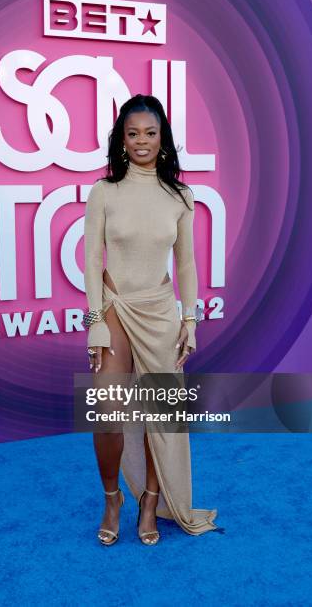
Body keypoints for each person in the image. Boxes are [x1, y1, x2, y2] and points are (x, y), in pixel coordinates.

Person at [83, 94, 219, 546]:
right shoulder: (104, 191)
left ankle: (150, 500)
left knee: (159, 415)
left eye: (150, 132)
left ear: (163, 139)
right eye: (133, 133)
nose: (141, 141)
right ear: (121, 140)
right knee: (107, 410)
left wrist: (191, 319)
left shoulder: (180, 195)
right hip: (116, 307)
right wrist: (94, 320)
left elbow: (186, 265)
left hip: (161, 311)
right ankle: (112, 497)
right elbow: (90, 260)